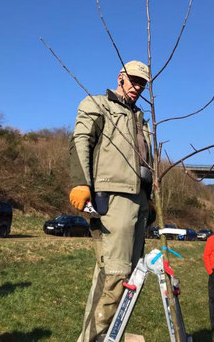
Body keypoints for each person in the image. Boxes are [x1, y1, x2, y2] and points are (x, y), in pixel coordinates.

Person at [69, 60, 154, 342]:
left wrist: (149, 200)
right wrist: (80, 183)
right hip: (113, 199)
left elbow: (146, 164)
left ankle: (108, 335)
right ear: (120, 77)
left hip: (139, 203)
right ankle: (92, 338)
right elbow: (81, 139)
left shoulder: (141, 118)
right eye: (133, 80)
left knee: (133, 278)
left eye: (142, 83)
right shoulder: (98, 104)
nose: (137, 87)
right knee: (114, 275)